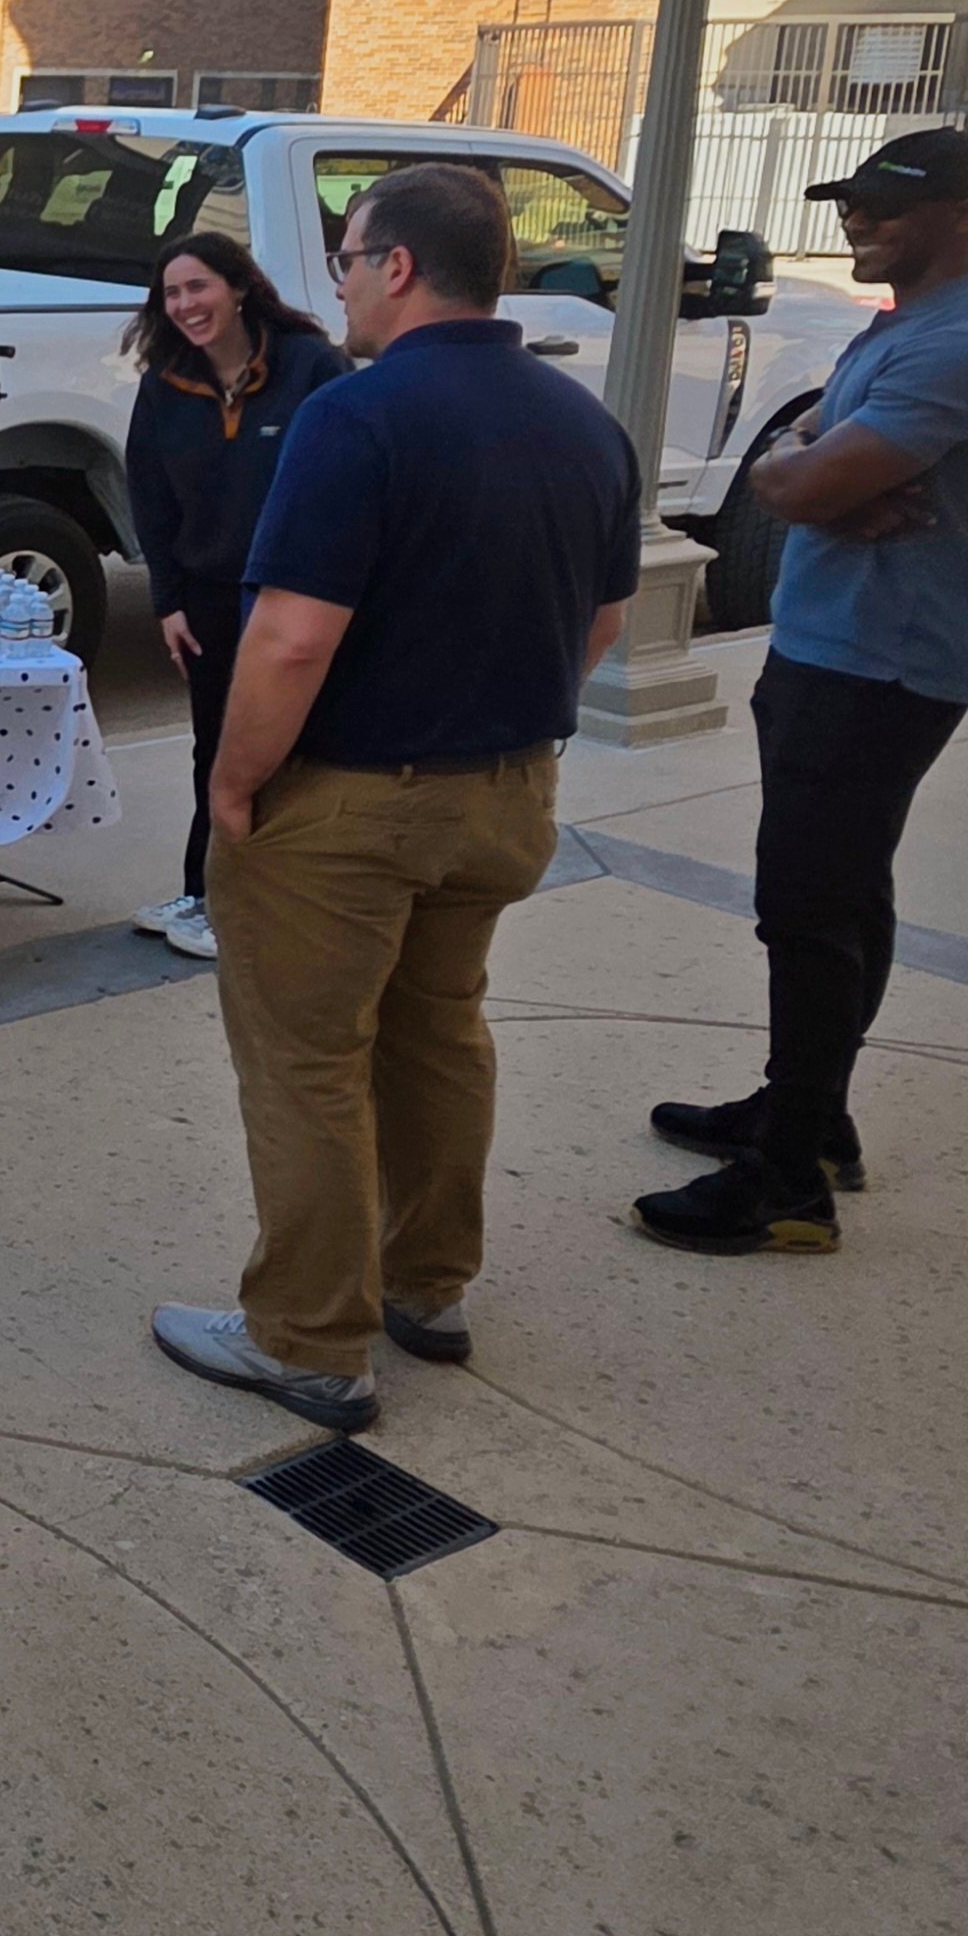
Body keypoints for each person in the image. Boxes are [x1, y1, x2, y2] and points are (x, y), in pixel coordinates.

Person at [150, 161, 638, 1431]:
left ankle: (309, 1339)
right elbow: (603, 619)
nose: (343, 280)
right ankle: (427, 1284)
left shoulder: (356, 417)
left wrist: (235, 780)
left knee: (306, 1060)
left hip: (352, 809)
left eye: (352, 255)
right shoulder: (583, 421)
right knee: (440, 1033)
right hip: (506, 793)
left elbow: (290, 639)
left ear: (400, 267)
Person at [635, 128, 968, 1254]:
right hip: (841, 645)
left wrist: (806, 480)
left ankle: (786, 1185)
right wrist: (811, 480)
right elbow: (804, 471)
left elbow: (800, 474)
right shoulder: (910, 330)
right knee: (841, 892)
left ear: (967, 211)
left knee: (808, 905)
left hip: (882, 661)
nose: (858, 221)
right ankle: (810, 1117)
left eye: (884, 206)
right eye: (851, 202)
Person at [119, 230, 348, 963]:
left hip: (295, 597)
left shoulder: (311, 368)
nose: (186, 305)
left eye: (200, 287)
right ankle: (207, 889)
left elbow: (351, 483)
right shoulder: (166, 384)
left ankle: (265, 897)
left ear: (240, 286)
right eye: (173, 293)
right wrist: (167, 600)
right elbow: (150, 501)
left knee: (290, 747)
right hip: (209, 599)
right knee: (216, 747)